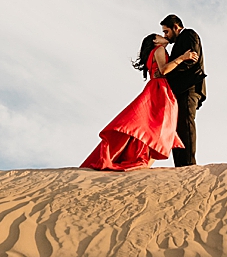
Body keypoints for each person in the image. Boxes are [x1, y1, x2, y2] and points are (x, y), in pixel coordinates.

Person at [80, 31, 199, 171]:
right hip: (160, 89)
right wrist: (183, 58)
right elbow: (164, 70)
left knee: (148, 126)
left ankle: (141, 161)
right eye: (160, 35)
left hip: (156, 87)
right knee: (161, 126)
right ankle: (142, 162)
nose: (164, 36)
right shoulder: (159, 49)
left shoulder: (154, 51)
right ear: (155, 41)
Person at [161, 14, 206, 166]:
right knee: (177, 127)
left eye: (166, 32)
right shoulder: (177, 44)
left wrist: (169, 72)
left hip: (188, 87)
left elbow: (191, 61)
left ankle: (188, 165)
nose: (165, 36)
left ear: (175, 27)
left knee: (185, 125)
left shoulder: (188, 34)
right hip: (179, 90)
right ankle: (180, 165)